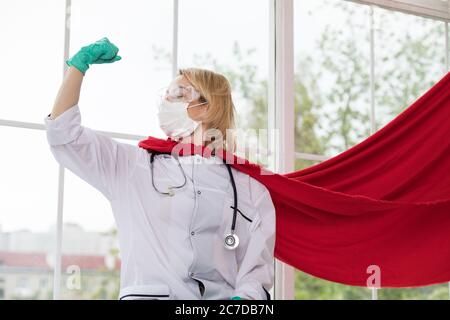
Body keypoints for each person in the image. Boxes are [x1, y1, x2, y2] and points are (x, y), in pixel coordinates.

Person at [44, 37, 275, 300]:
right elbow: (63, 135)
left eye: (180, 94)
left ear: (207, 108)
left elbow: (256, 271)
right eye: (167, 95)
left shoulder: (250, 189)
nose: (167, 100)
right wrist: (78, 67)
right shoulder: (132, 165)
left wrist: (243, 301)